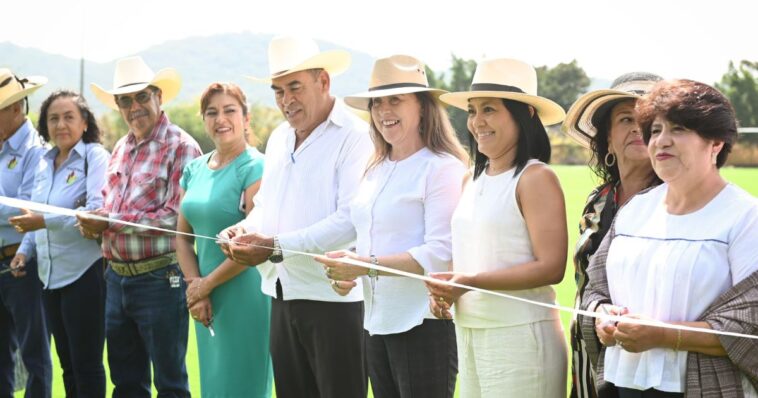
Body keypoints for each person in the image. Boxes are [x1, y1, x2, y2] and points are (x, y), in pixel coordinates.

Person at [579, 79, 758, 397]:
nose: (662, 141)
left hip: (703, 388)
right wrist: (601, 315)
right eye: (656, 131)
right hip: (622, 385)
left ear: (715, 143)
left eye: (678, 130)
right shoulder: (636, 209)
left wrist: (663, 335)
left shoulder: (744, 217)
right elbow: (595, 288)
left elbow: (750, 325)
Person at [219, 35, 373, 398]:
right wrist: (242, 229)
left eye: (294, 87)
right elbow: (266, 207)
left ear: (323, 81)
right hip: (280, 294)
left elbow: (350, 220)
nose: (286, 100)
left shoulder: (356, 136)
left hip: (334, 302)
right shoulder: (277, 138)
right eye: (278, 91)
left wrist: (274, 246)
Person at [314, 55, 467, 398]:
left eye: (396, 99)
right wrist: (349, 268)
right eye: (377, 102)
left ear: (424, 107)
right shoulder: (375, 170)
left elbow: (441, 252)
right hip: (375, 323)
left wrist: (364, 265)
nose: (384, 110)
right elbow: (375, 240)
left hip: (423, 324)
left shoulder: (441, 168)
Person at [426, 58, 569, 397]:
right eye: (473, 110)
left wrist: (470, 284)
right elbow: (471, 256)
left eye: (489, 109)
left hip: (521, 337)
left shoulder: (535, 178)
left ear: (525, 115)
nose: (477, 122)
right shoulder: (469, 181)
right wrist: (446, 290)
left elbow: (551, 267)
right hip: (470, 333)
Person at [77, 56, 201, 398]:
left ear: (158, 96)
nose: (135, 107)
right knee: (126, 382)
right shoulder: (120, 148)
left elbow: (175, 220)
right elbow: (112, 206)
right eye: (125, 101)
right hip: (116, 278)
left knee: (170, 383)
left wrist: (111, 222)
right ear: (118, 106)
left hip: (161, 278)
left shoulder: (182, 146)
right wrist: (95, 222)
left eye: (141, 97)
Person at [562, 72, 663, 398]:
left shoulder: (676, 202)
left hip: (647, 366)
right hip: (588, 356)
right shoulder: (599, 199)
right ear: (606, 138)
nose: (637, 127)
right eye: (625, 119)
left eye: (648, 120)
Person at [10, 90, 109, 397]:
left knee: (87, 364)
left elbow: (93, 213)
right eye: (53, 118)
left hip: (85, 274)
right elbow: (35, 214)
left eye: (69, 117)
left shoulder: (95, 157)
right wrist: (24, 252)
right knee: (66, 364)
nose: (60, 125)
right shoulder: (42, 162)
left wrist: (43, 222)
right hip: (49, 279)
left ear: (84, 123)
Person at [176, 82, 272, 397]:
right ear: (203, 120)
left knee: (245, 385)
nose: (221, 119)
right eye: (212, 112)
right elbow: (182, 237)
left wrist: (208, 285)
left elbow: (252, 243)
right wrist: (196, 289)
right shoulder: (193, 169)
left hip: (245, 294)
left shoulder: (256, 166)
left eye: (230, 110)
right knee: (215, 387)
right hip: (204, 298)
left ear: (246, 118)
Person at [0, 68, 52, 397]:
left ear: (16, 109)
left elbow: (28, 209)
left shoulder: (36, 151)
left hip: (23, 263)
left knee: (34, 355)